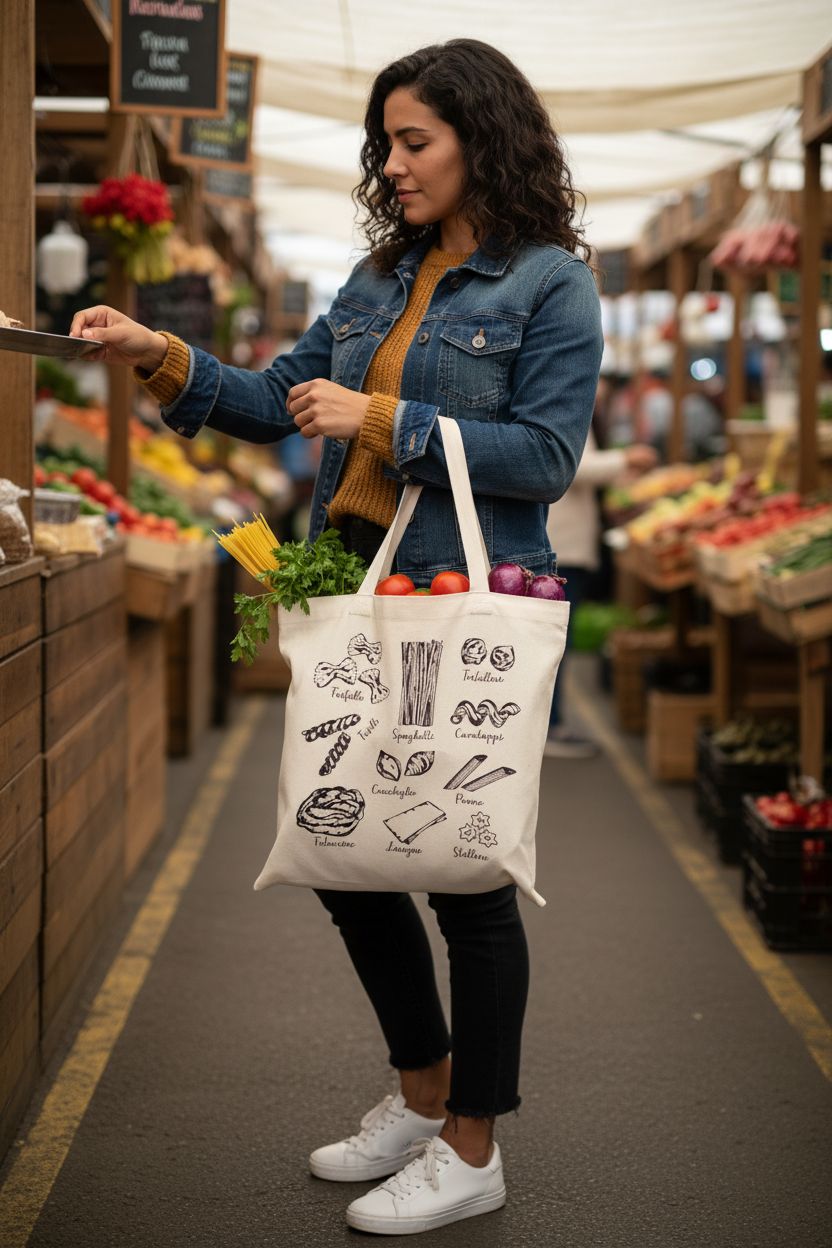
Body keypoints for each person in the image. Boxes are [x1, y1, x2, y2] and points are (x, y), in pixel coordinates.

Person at [71, 39, 603, 1236]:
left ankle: (474, 1147)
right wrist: (157, 354)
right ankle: (421, 1096)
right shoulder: (377, 277)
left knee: (464, 871)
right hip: (352, 589)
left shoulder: (551, 285)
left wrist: (389, 418)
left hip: (465, 598)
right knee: (343, 849)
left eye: (415, 141)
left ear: (483, 136)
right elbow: (273, 401)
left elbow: (547, 458)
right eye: (386, 143)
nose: (394, 163)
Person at [544, 424, 657, 758]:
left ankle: (552, 723)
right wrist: (625, 459)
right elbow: (569, 463)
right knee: (555, 643)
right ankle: (550, 727)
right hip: (561, 545)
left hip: (563, 542)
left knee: (557, 643)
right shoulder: (559, 395)